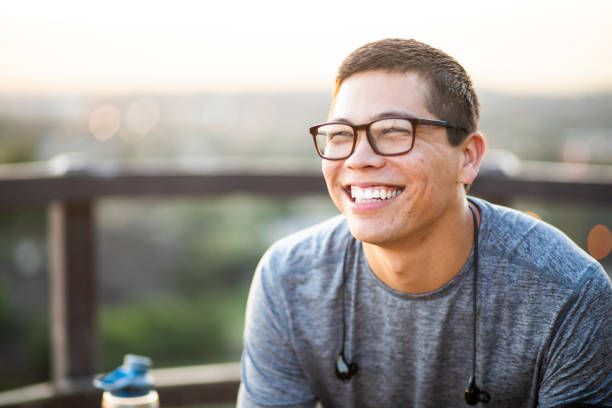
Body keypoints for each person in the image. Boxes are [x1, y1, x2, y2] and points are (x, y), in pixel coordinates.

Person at [237, 38, 612, 407]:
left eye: (394, 132)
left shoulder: (567, 294)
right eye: (340, 135)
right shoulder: (289, 278)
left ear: (467, 157)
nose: (358, 159)